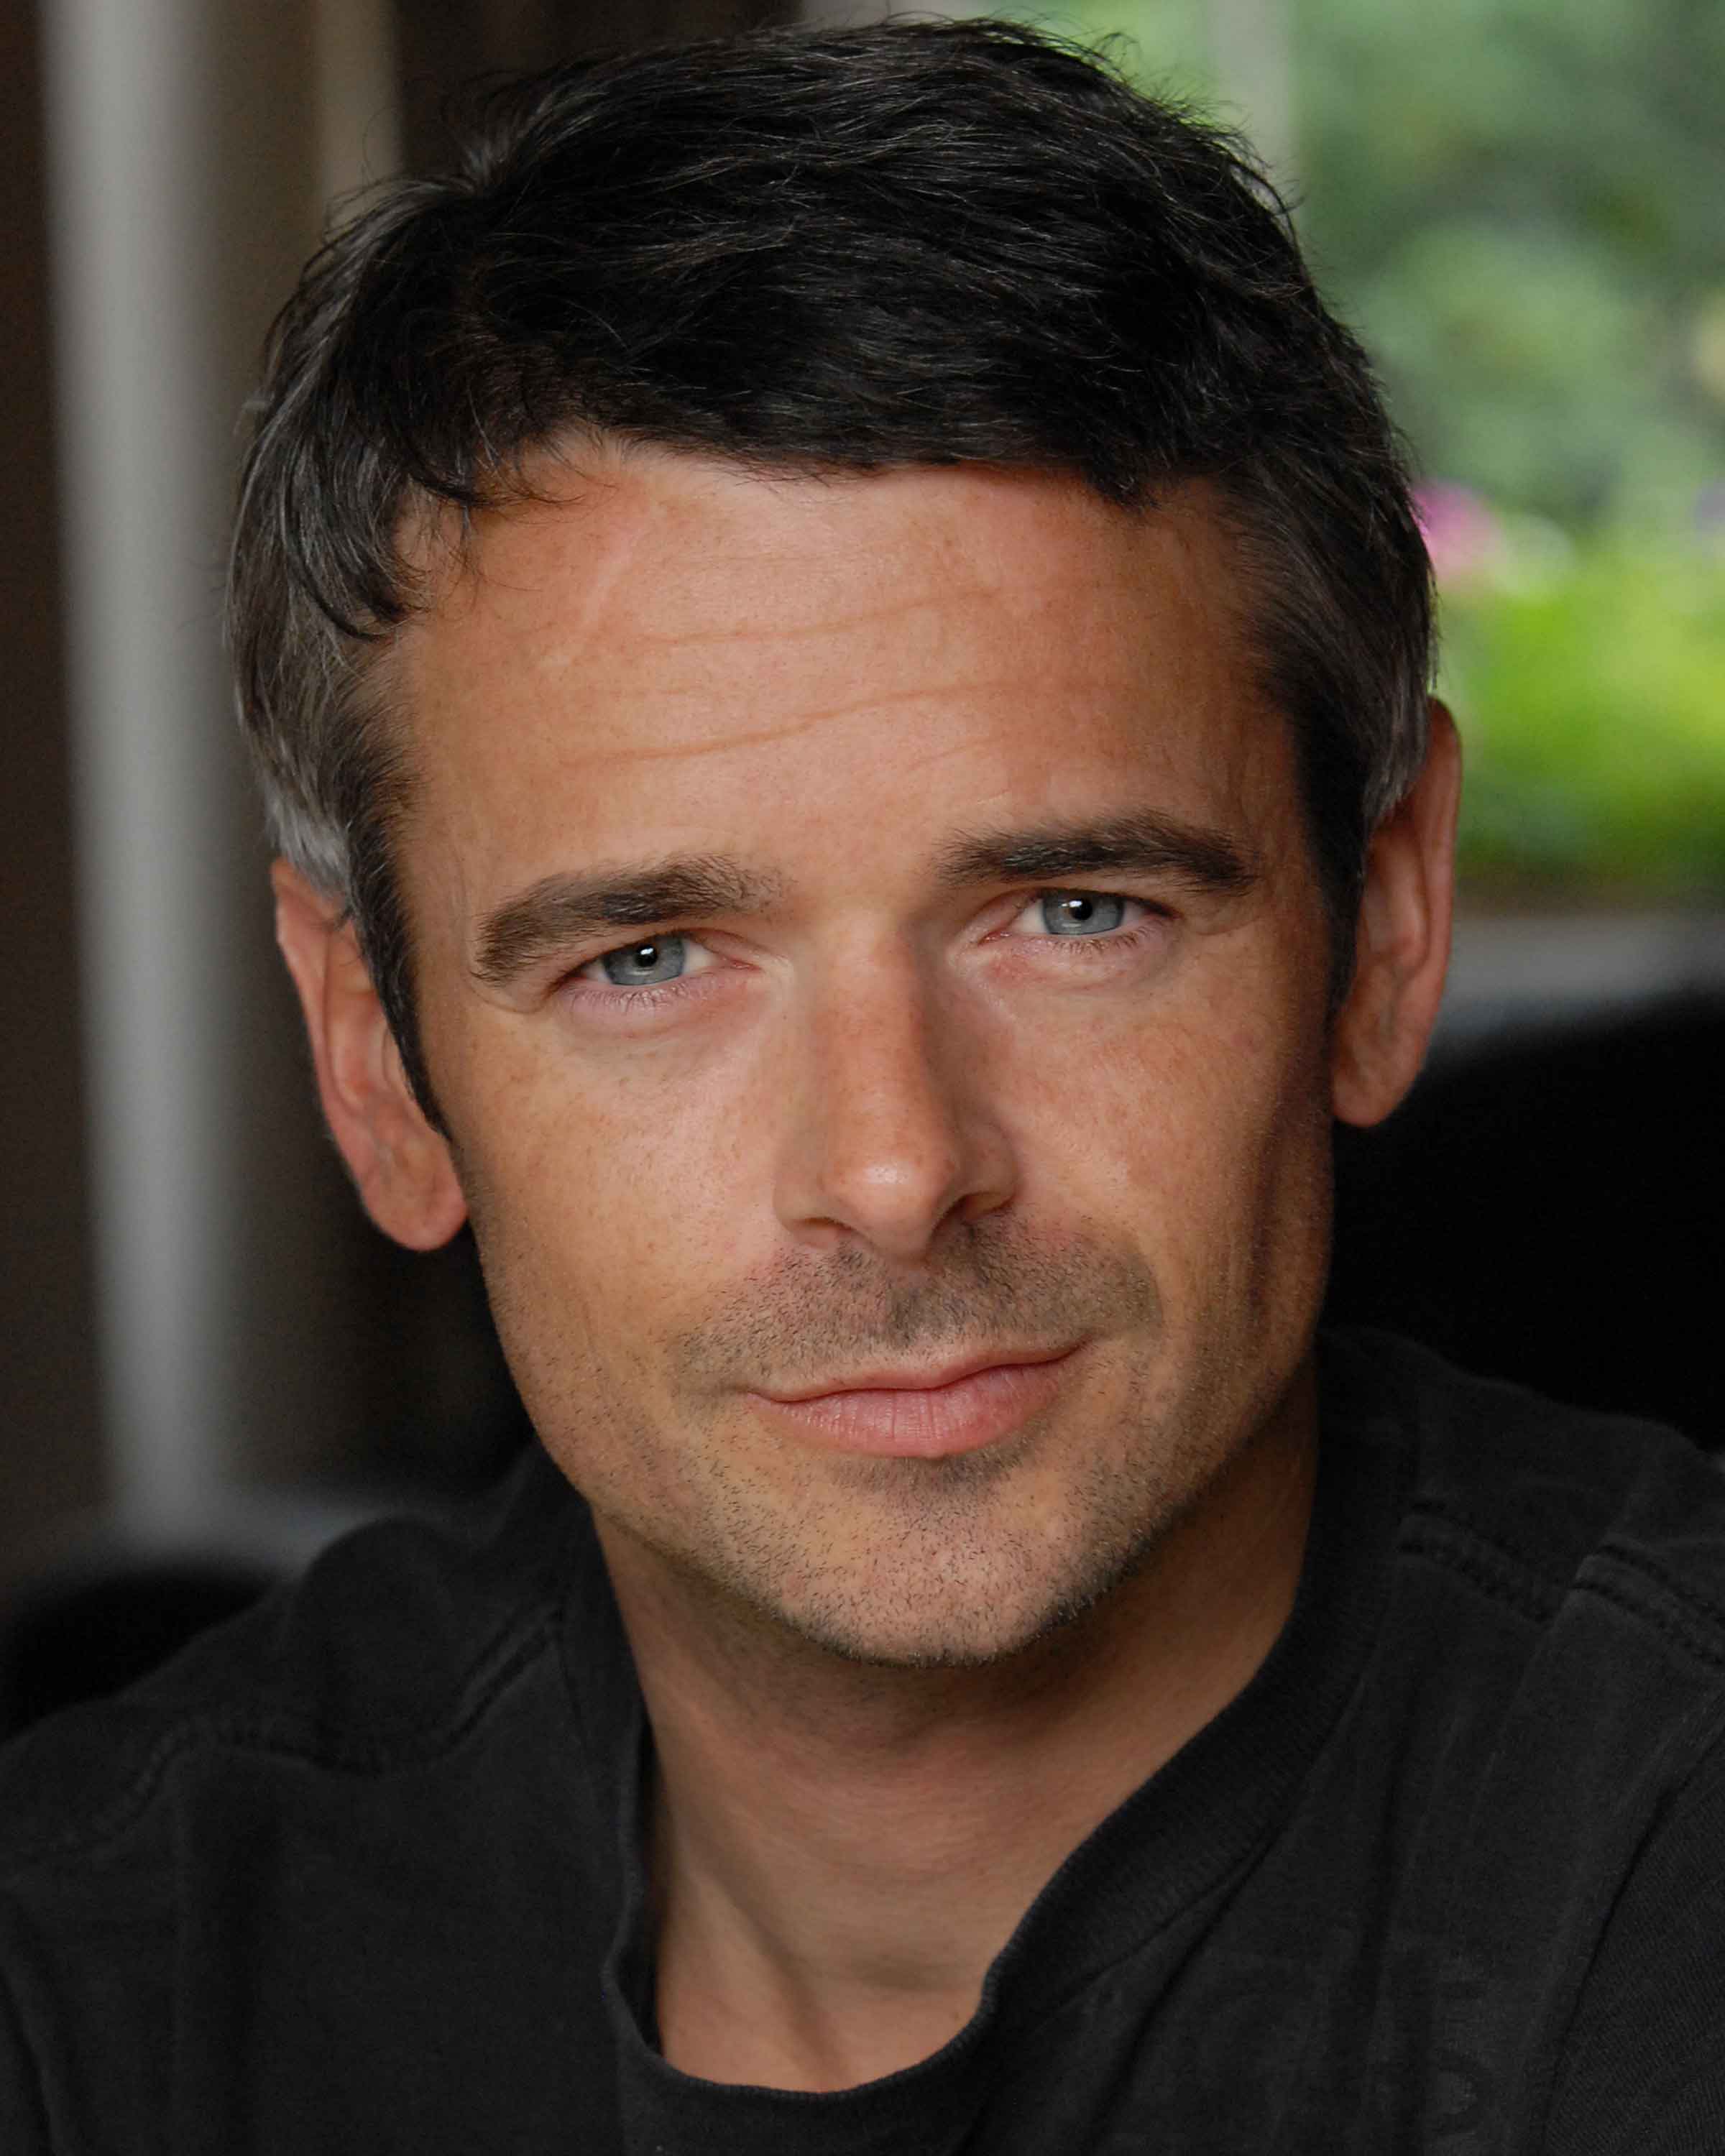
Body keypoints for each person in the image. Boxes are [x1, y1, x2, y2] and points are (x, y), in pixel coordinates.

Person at [4, 20, 1722, 2151]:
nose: (898, 1169)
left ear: (1381, 931)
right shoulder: (102, 1971)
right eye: (649, 960)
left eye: (1077, 912)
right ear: (377, 1064)